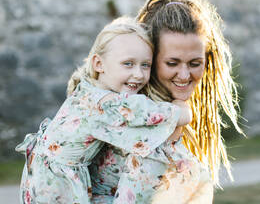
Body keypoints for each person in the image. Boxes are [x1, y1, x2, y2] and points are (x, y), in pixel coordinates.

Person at [90, 0, 243, 203]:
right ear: (150, 59)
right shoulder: (141, 122)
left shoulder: (169, 114)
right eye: (172, 63)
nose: (184, 74)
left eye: (195, 63)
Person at [15, 16, 191, 203]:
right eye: (128, 64)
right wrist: (181, 108)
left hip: (40, 179)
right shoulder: (106, 104)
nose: (138, 74)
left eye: (145, 65)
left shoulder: (87, 88)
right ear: (99, 64)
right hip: (56, 188)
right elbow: (154, 115)